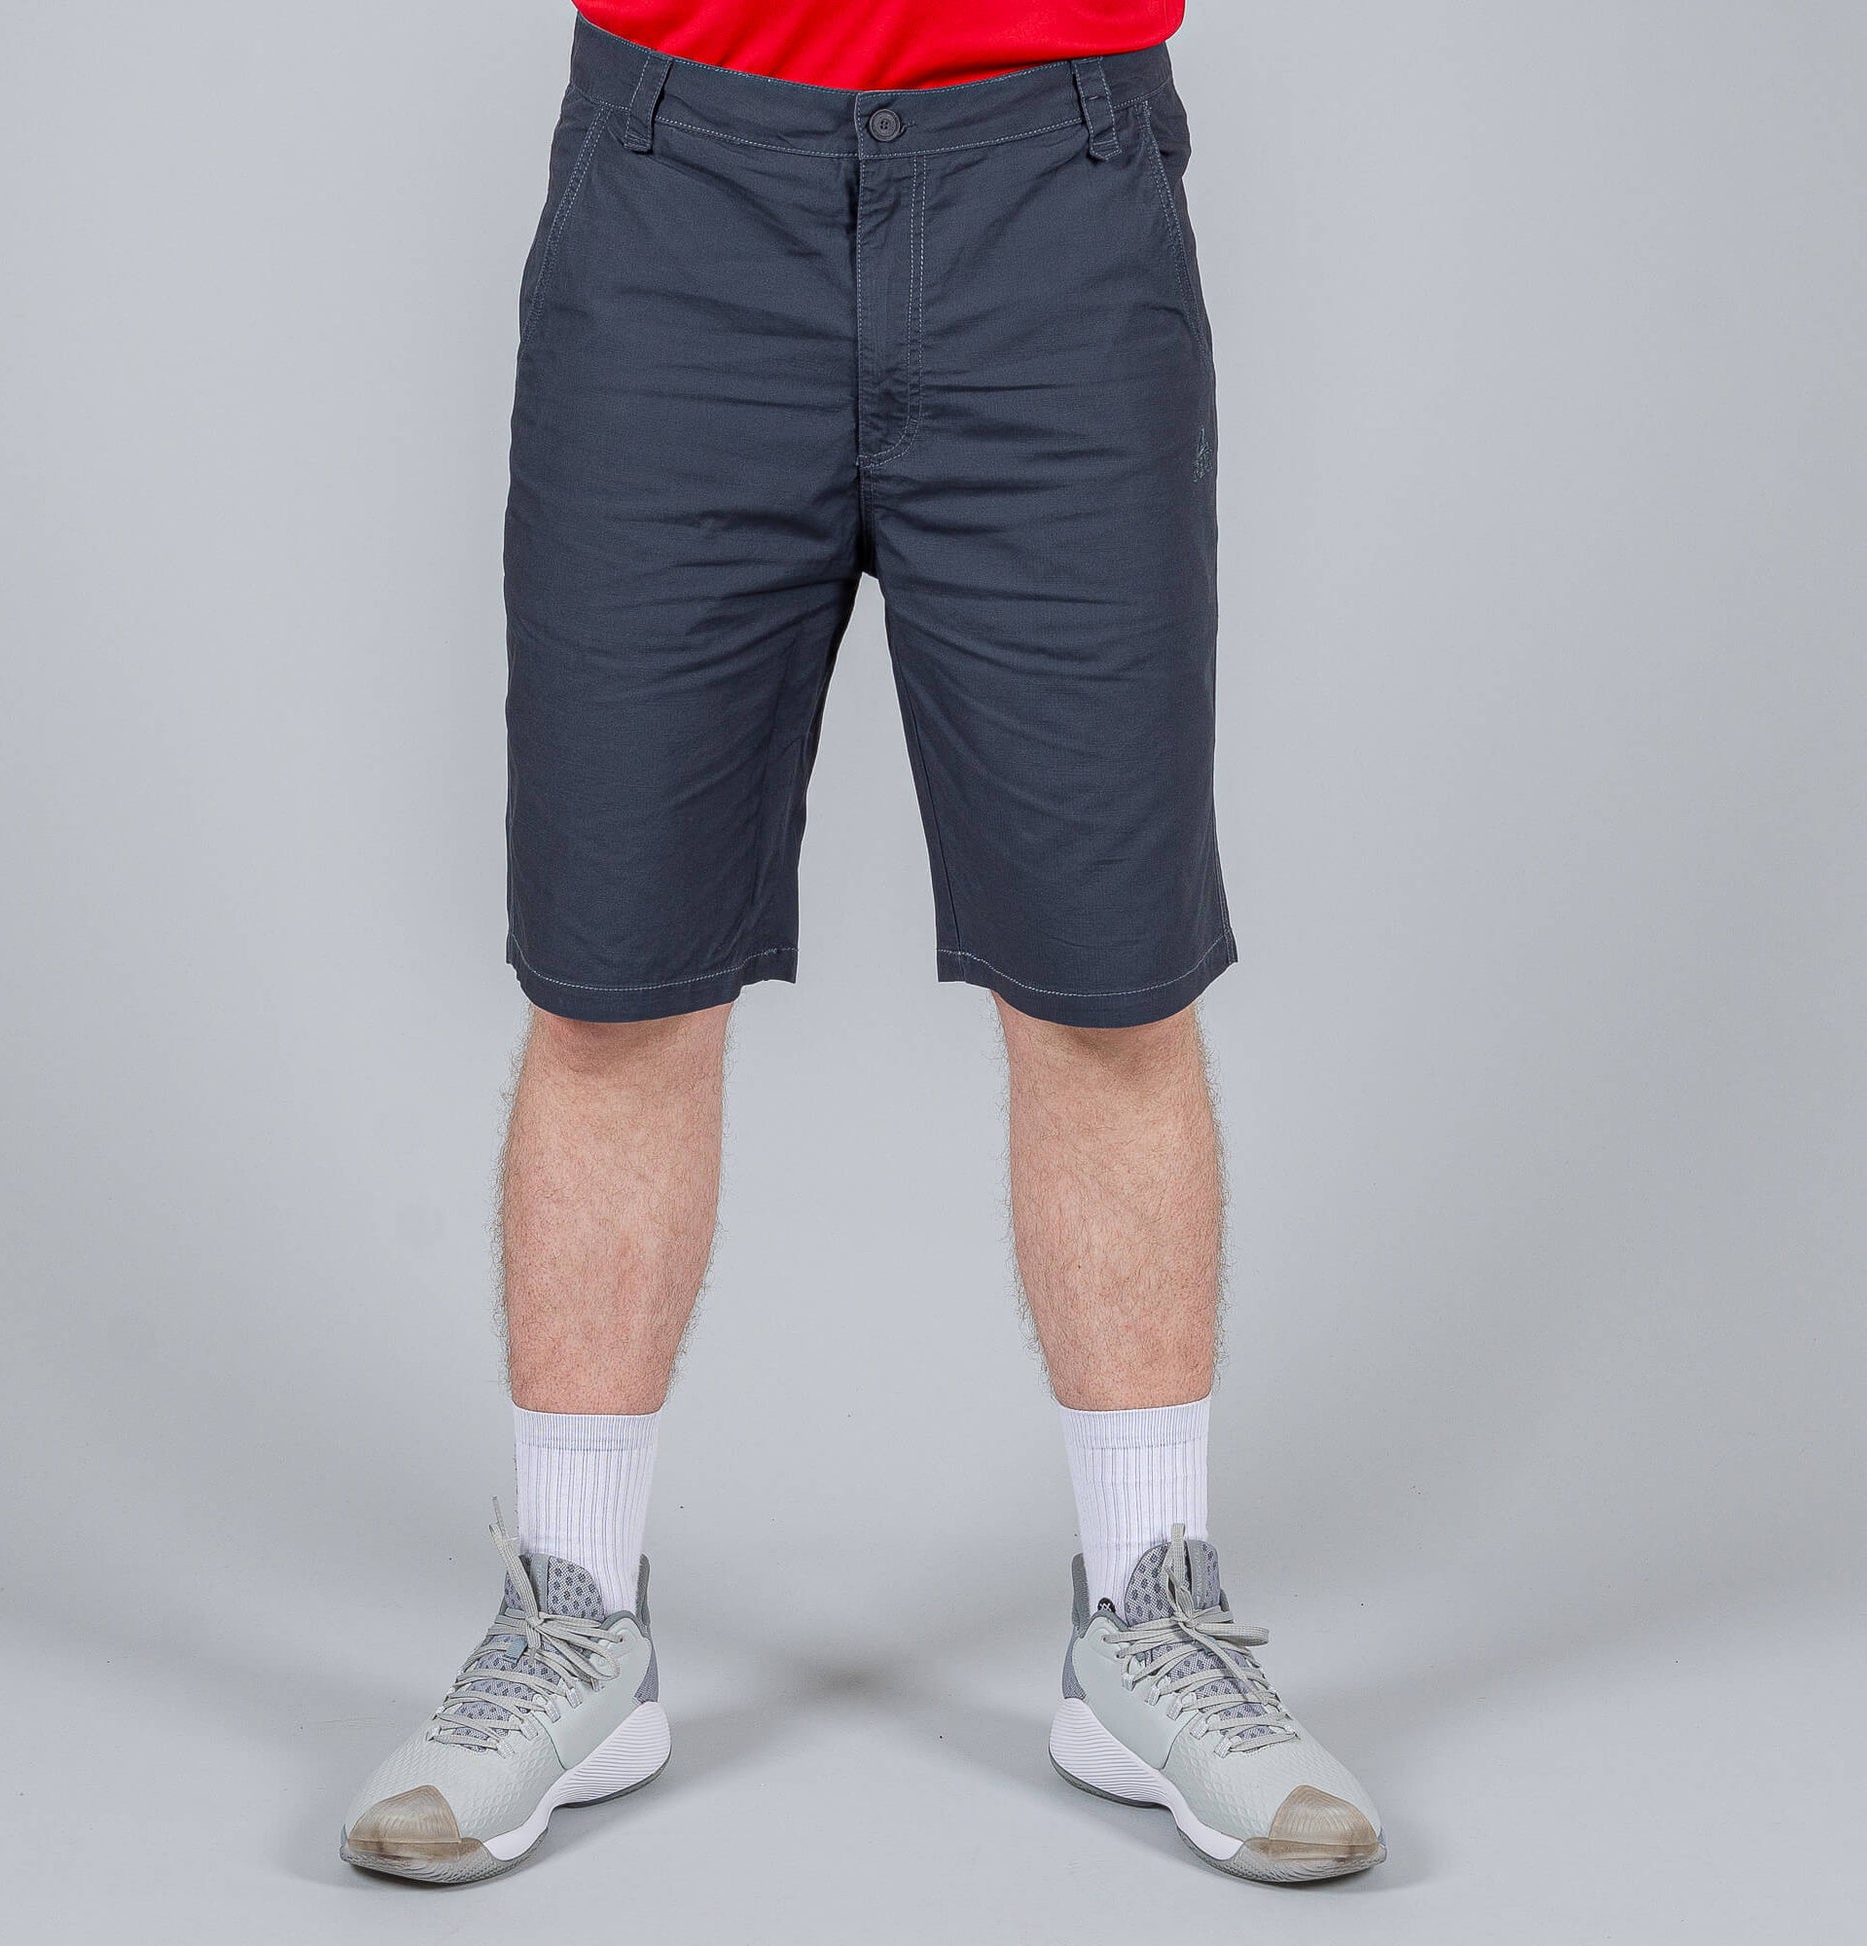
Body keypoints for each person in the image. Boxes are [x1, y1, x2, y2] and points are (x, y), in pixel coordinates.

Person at [340, 1, 1384, 1886]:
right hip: (677, 196)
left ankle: (1146, 1623)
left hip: (1056, 201)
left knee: (1109, 980)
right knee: (612, 976)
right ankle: (572, 1622)